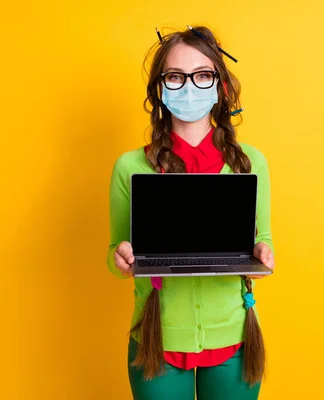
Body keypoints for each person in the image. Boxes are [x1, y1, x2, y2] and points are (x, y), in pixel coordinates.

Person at [106, 25, 275, 400]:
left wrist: (263, 253)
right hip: (157, 338)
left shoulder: (250, 163)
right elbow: (112, 252)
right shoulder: (131, 166)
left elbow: (261, 238)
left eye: (202, 75)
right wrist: (119, 257)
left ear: (221, 86)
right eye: (175, 76)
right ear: (159, 89)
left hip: (235, 336)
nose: (188, 87)